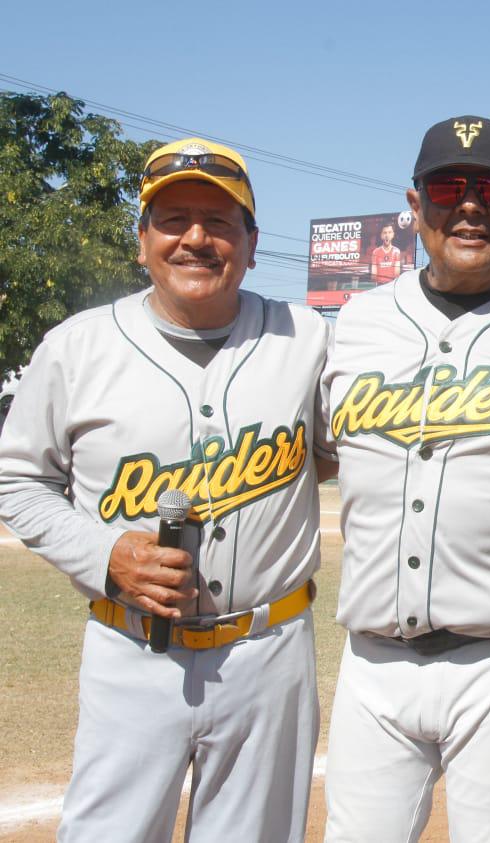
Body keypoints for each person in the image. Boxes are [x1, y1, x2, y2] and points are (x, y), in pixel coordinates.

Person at [0, 138, 332, 841]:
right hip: (131, 650)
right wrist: (103, 555)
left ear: (250, 242)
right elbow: (18, 478)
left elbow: (346, 449)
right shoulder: (76, 346)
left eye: (218, 221)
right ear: (142, 238)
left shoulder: (306, 337)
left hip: (268, 653)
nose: (195, 238)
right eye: (173, 218)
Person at [322, 115, 490, 842]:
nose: (469, 205)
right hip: (371, 661)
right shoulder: (355, 322)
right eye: (448, 185)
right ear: (413, 203)